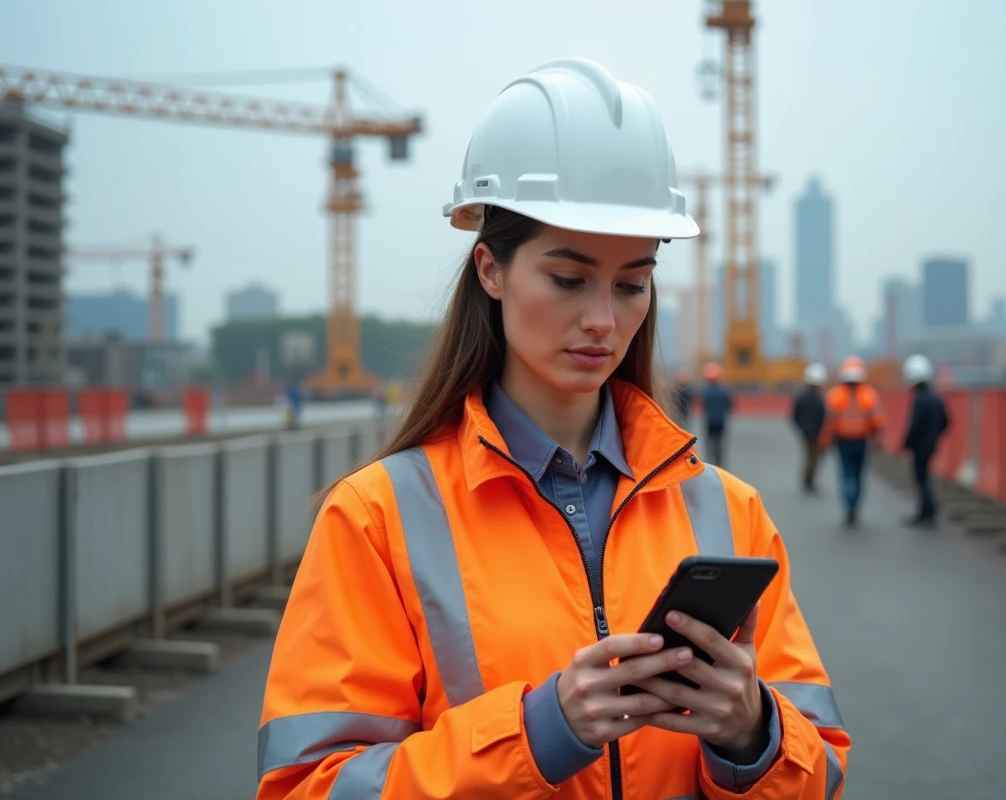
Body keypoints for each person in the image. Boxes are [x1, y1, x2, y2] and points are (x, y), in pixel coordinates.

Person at [255, 58, 848, 800]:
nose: (604, 320)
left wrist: (753, 734)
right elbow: (309, 786)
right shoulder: (375, 519)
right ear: (490, 270)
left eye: (632, 283)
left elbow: (820, 770)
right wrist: (536, 734)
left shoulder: (732, 513)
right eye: (568, 279)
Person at [820, 356, 884, 527]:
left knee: (846, 475)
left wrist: (825, 441)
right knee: (858, 475)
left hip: (843, 442)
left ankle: (848, 506)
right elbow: (878, 421)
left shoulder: (835, 395)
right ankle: (854, 506)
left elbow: (829, 423)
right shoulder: (869, 395)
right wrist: (878, 438)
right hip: (862, 440)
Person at [902, 354, 950, 526]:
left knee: (920, 478)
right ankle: (927, 509)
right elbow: (946, 422)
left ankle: (926, 510)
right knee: (925, 477)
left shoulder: (919, 400)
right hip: (931, 444)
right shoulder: (936, 397)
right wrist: (934, 435)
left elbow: (914, 425)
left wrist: (906, 443)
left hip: (920, 446)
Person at [791, 362, 828, 493]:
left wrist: (801, 429)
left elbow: (794, 416)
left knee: (809, 456)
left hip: (806, 432)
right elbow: (824, 416)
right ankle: (809, 482)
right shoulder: (819, 399)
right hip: (816, 433)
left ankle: (808, 480)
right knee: (813, 457)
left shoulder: (801, 397)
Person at [700, 361, 734, 467]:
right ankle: (719, 464)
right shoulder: (724, 391)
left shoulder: (706, 392)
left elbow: (704, 406)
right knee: (719, 443)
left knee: (709, 442)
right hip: (721, 421)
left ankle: (709, 464)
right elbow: (729, 406)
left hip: (710, 421)